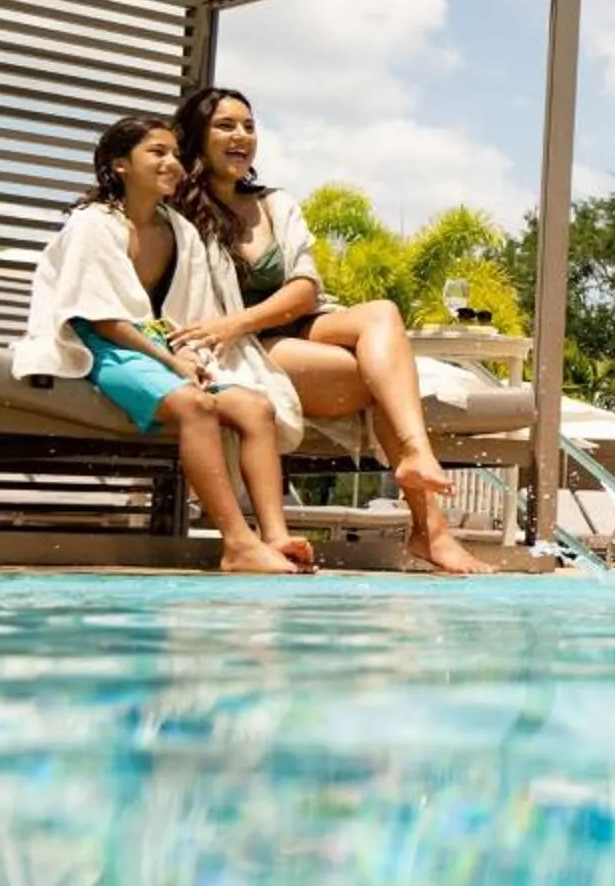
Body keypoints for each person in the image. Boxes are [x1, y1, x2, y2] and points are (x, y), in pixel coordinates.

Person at [171, 88, 491, 575]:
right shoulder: (176, 212)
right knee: (379, 378)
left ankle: (417, 458)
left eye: (249, 126)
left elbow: (304, 288)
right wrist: (232, 328)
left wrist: (239, 318)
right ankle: (432, 531)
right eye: (225, 126)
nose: (241, 136)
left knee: (382, 311)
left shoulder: (275, 205)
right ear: (196, 136)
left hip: (291, 323)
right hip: (246, 349)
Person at [11, 115, 312, 575]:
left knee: (255, 407)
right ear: (120, 166)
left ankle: (275, 537)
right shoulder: (93, 224)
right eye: (157, 152)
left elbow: (183, 313)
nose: (173, 162)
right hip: (100, 345)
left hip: (156, 345)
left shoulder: (179, 230)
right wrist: (170, 360)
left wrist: (187, 352)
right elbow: (102, 318)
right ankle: (237, 543)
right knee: (197, 406)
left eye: (175, 153)